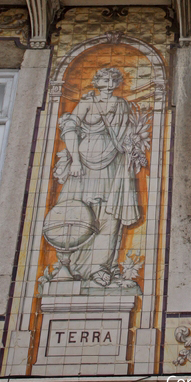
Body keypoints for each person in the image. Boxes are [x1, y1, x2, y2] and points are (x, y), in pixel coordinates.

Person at [52, 67, 141, 287]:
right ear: (96, 81)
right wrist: (75, 160)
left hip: (112, 163)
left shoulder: (122, 105)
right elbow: (70, 129)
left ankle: (101, 267)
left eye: (114, 79)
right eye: (105, 79)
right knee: (80, 210)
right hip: (84, 166)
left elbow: (127, 134)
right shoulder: (87, 102)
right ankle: (72, 264)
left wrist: (131, 150)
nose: (110, 83)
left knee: (110, 215)